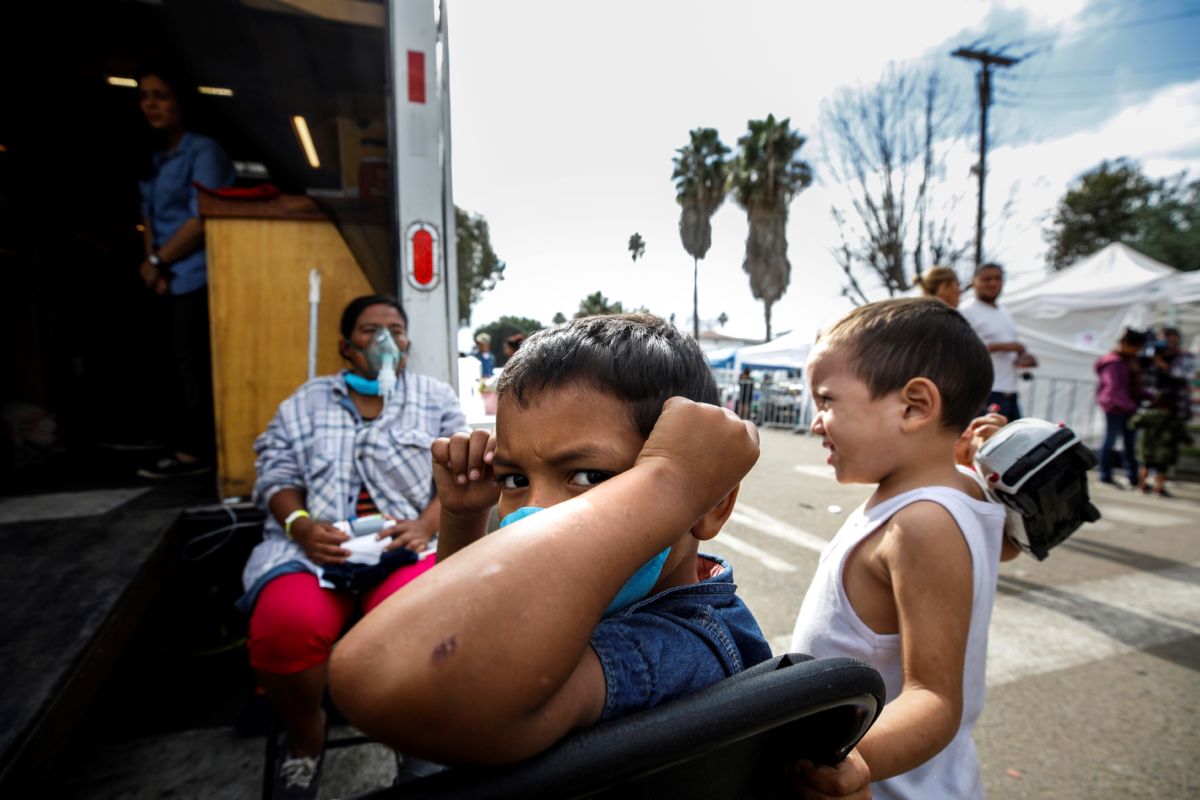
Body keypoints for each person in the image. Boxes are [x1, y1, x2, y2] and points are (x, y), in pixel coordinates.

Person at [330, 314, 774, 767]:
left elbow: (392, 675)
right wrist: (464, 519)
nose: (534, 513)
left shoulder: (685, 646)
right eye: (515, 478)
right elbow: (475, 619)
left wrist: (671, 482)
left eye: (588, 476)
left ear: (712, 506)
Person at [789, 297, 1019, 799]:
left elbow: (934, 697)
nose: (815, 422)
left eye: (827, 401)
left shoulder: (923, 522)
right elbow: (1004, 546)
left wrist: (856, 759)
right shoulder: (959, 493)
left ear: (914, 406)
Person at [243, 295, 468, 799]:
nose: (385, 339)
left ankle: (417, 742)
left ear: (408, 341)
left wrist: (424, 523)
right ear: (347, 346)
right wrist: (300, 526)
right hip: (313, 551)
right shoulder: (305, 402)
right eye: (370, 330)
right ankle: (305, 738)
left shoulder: (433, 398)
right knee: (284, 630)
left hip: (403, 544)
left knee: (422, 625)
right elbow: (274, 472)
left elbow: (459, 472)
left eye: (395, 329)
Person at [133, 66, 236, 478]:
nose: (152, 104)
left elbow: (203, 216)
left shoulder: (203, 151)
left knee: (194, 362)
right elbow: (150, 217)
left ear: (181, 102)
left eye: (161, 95)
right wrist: (152, 264)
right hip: (166, 275)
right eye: (144, 97)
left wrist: (160, 261)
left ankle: (197, 453)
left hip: (196, 274)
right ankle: (181, 443)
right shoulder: (157, 159)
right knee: (171, 361)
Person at [959, 262, 1036, 421]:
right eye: (987, 279)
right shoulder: (966, 311)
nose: (993, 283)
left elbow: (1010, 349)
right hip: (984, 391)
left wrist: (1022, 358)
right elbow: (962, 350)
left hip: (1010, 390)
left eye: (997, 279)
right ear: (974, 282)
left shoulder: (1004, 311)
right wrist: (1007, 346)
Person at [1095, 328, 1147, 489]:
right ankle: (1105, 475)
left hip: (1128, 407)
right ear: (1125, 344)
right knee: (1110, 441)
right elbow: (1115, 389)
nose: (1137, 351)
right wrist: (1131, 406)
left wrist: (1150, 396)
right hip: (1115, 407)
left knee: (1130, 443)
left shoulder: (1129, 360)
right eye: (1136, 347)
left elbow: (1133, 386)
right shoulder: (1114, 362)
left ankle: (1133, 477)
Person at [1131, 388, 1192, 498]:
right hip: (1165, 450)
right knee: (1161, 469)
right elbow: (1182, 433)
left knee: (1145, 466)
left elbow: (1134, 423)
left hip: (1147, 447)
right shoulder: (1174, 418)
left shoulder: (1149, 414)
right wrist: (1188, 441)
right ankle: (1158, 489)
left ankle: (1142, 486)